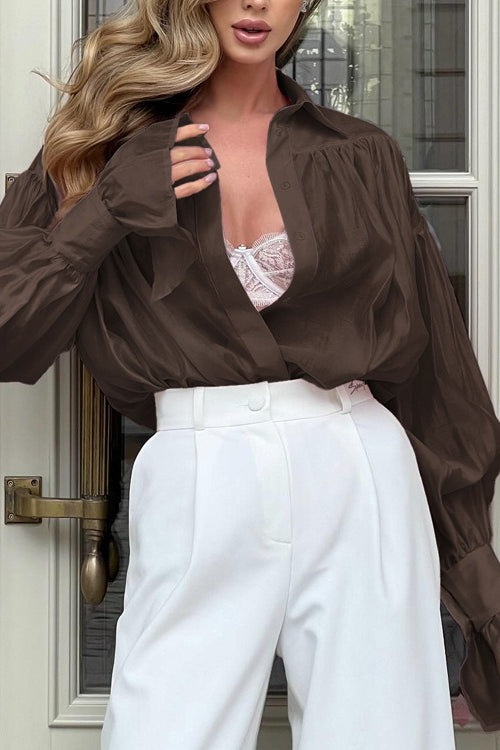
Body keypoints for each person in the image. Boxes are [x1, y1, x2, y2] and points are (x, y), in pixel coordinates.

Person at [1, 0, 500, 747]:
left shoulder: (361, 154)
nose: (258, 2)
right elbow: (10, 334)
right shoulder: (101, 153)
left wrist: (476, 582)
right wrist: (102, 211)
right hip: (197, 469)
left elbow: (435, 378)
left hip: (359, 465)